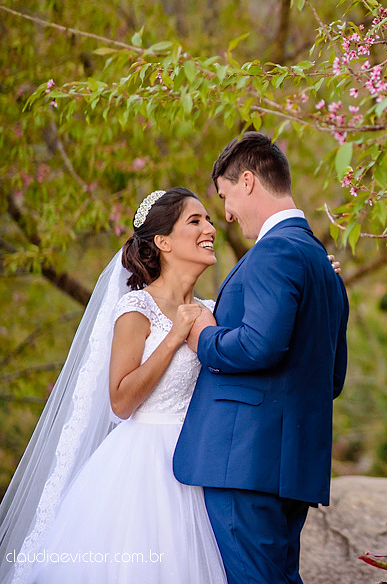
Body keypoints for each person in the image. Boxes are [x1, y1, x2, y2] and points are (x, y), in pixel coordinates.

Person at [0, 187, 228, 583]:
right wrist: (174, 337)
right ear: (163, 241)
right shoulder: (136, 307)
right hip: (144, 470)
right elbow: (120, 401)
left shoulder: (212, 310)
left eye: (209, 219)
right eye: (196, 221)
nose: (210, 227)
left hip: (200, 461)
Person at [173, 132, 350, 584]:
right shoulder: (321, 265)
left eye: (226, 195)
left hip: (245, 461)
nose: (226, 213)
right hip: (291, 466)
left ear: (248, 181)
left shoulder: (275, 251)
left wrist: (203, 335)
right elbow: (332, 377)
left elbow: (259, 344)